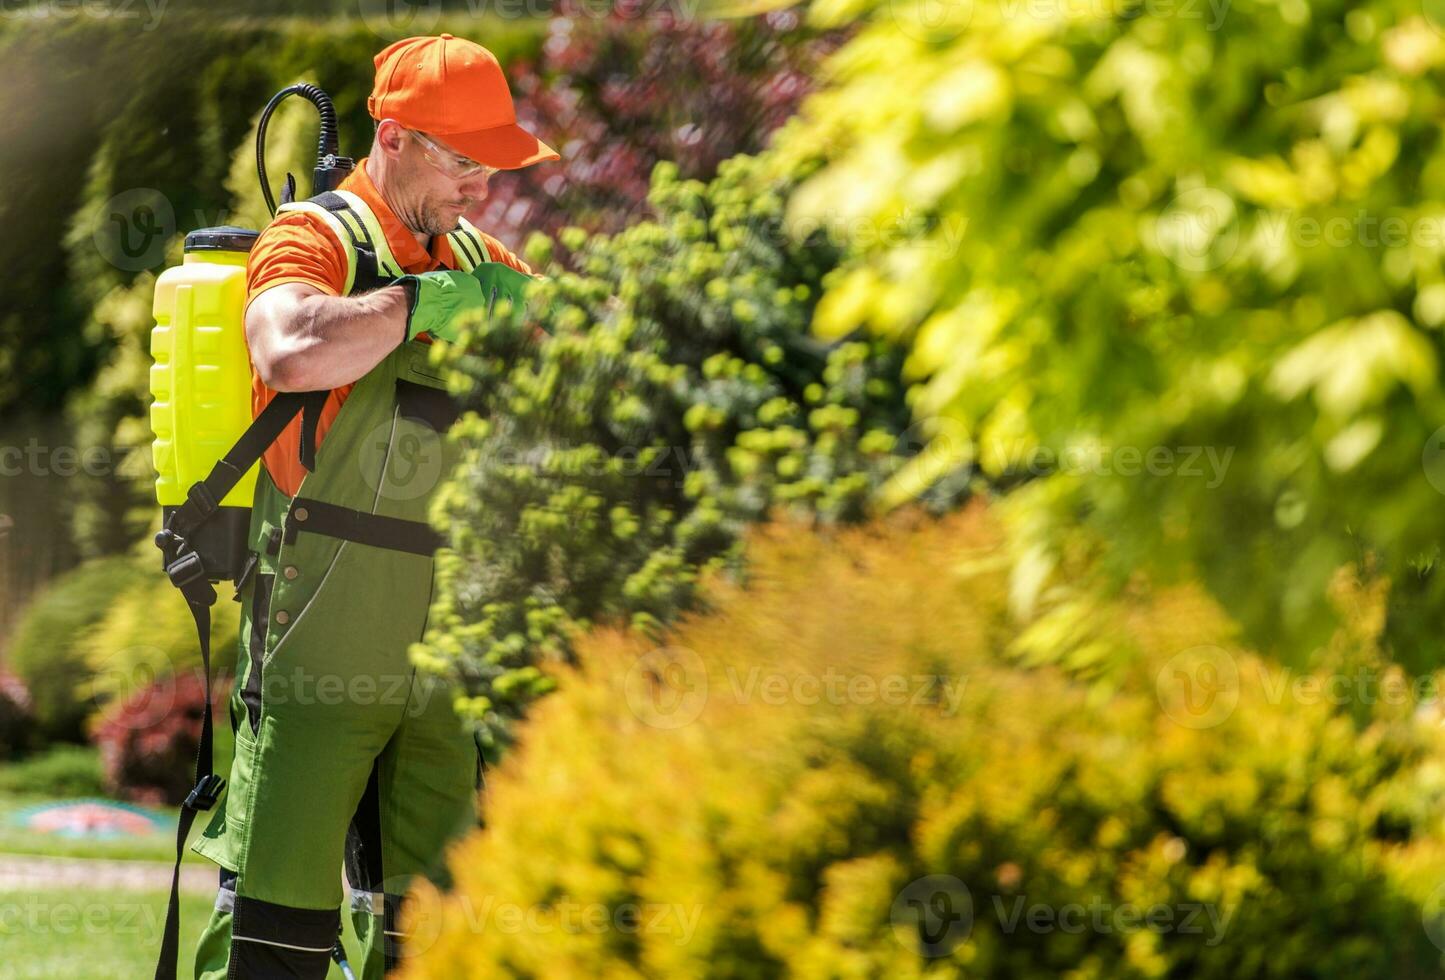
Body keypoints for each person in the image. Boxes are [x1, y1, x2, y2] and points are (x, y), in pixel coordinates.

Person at [188, 33, 557, 979]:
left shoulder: (482, 254)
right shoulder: (316, 239)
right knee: (279, 926)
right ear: (393, 139)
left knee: (435, 937)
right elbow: (290, 351)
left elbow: (571, 360)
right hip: (323, 619)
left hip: (446, 636)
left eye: (494, 166)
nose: (483, 189)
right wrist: (422, 304)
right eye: (465, 163)